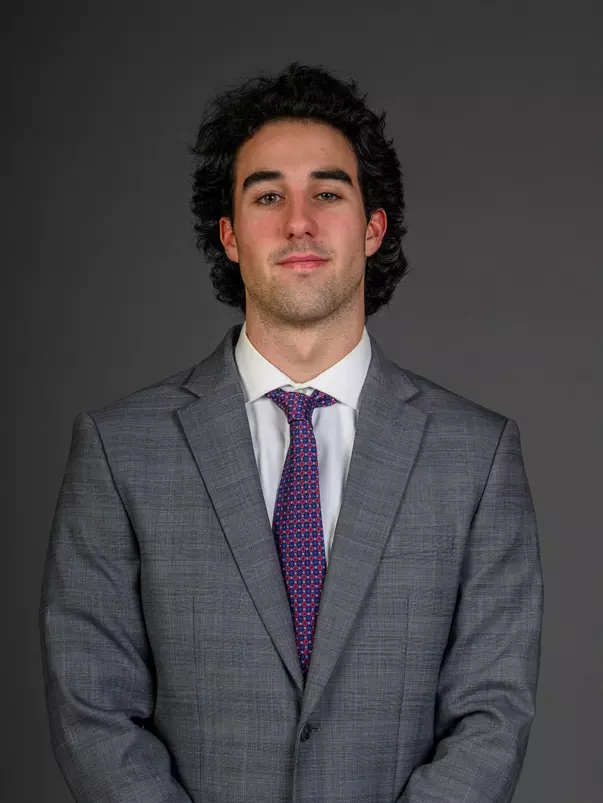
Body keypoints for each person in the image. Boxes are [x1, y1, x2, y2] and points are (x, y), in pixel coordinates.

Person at [39, 62, 544, 803]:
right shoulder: (120, 451)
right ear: (231, 234)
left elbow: (492, 714)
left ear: (372, 227)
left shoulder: (475, 456)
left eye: (328, 193)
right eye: (267, 195)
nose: (298, 221)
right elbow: (92, 709)